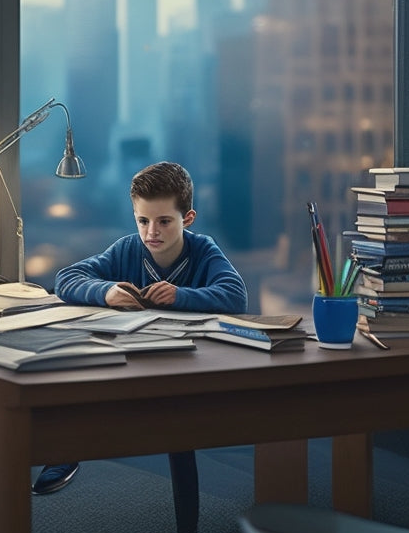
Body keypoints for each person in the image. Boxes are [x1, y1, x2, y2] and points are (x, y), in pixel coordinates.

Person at [31, 161, 248, 495]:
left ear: (187, 219)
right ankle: (66, 448)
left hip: (188, 367)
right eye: (143, 221)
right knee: (76, 369)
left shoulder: (203, 250)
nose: (151, 233)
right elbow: (66, 278)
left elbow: (236, 297)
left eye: (164, 222)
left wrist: (182, 295)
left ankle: (72, 444)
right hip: (129, 360)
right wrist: (107, 292)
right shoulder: (127, 249)